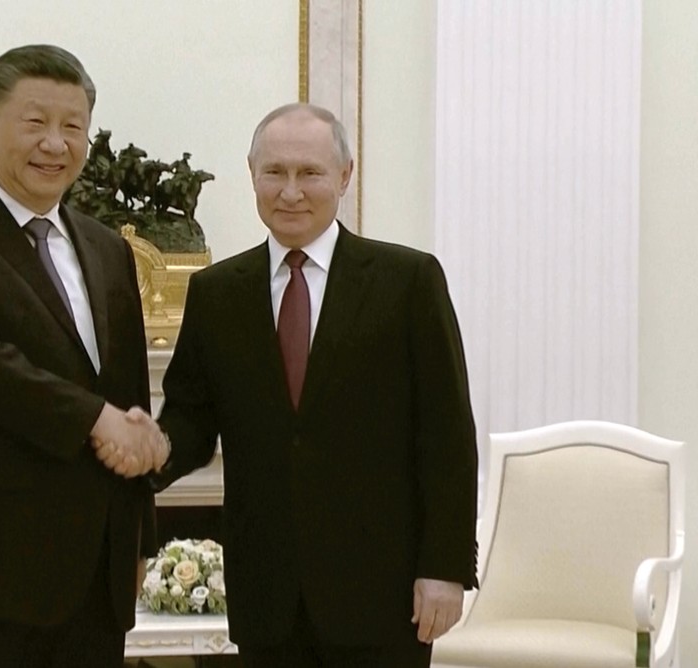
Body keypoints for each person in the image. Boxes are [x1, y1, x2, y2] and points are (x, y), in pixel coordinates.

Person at [96, 103, 478, 667]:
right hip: (267, 596)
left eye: (309, 173)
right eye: (274, 172)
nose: (291, 191)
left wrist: (444, 568)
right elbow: (193, 419)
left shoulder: (408, 282)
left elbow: (446, 436)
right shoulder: (216, 292)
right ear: (252, 174)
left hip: (382, 594)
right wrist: (154, 444)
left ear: (344, 176)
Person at [0, 44, 169, 667]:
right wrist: (95, 419)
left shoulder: (108, 249)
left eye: (73, 127)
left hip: (95, 584)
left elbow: (128, 399)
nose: (55, 144)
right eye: (35, 122)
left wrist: (137, 541)